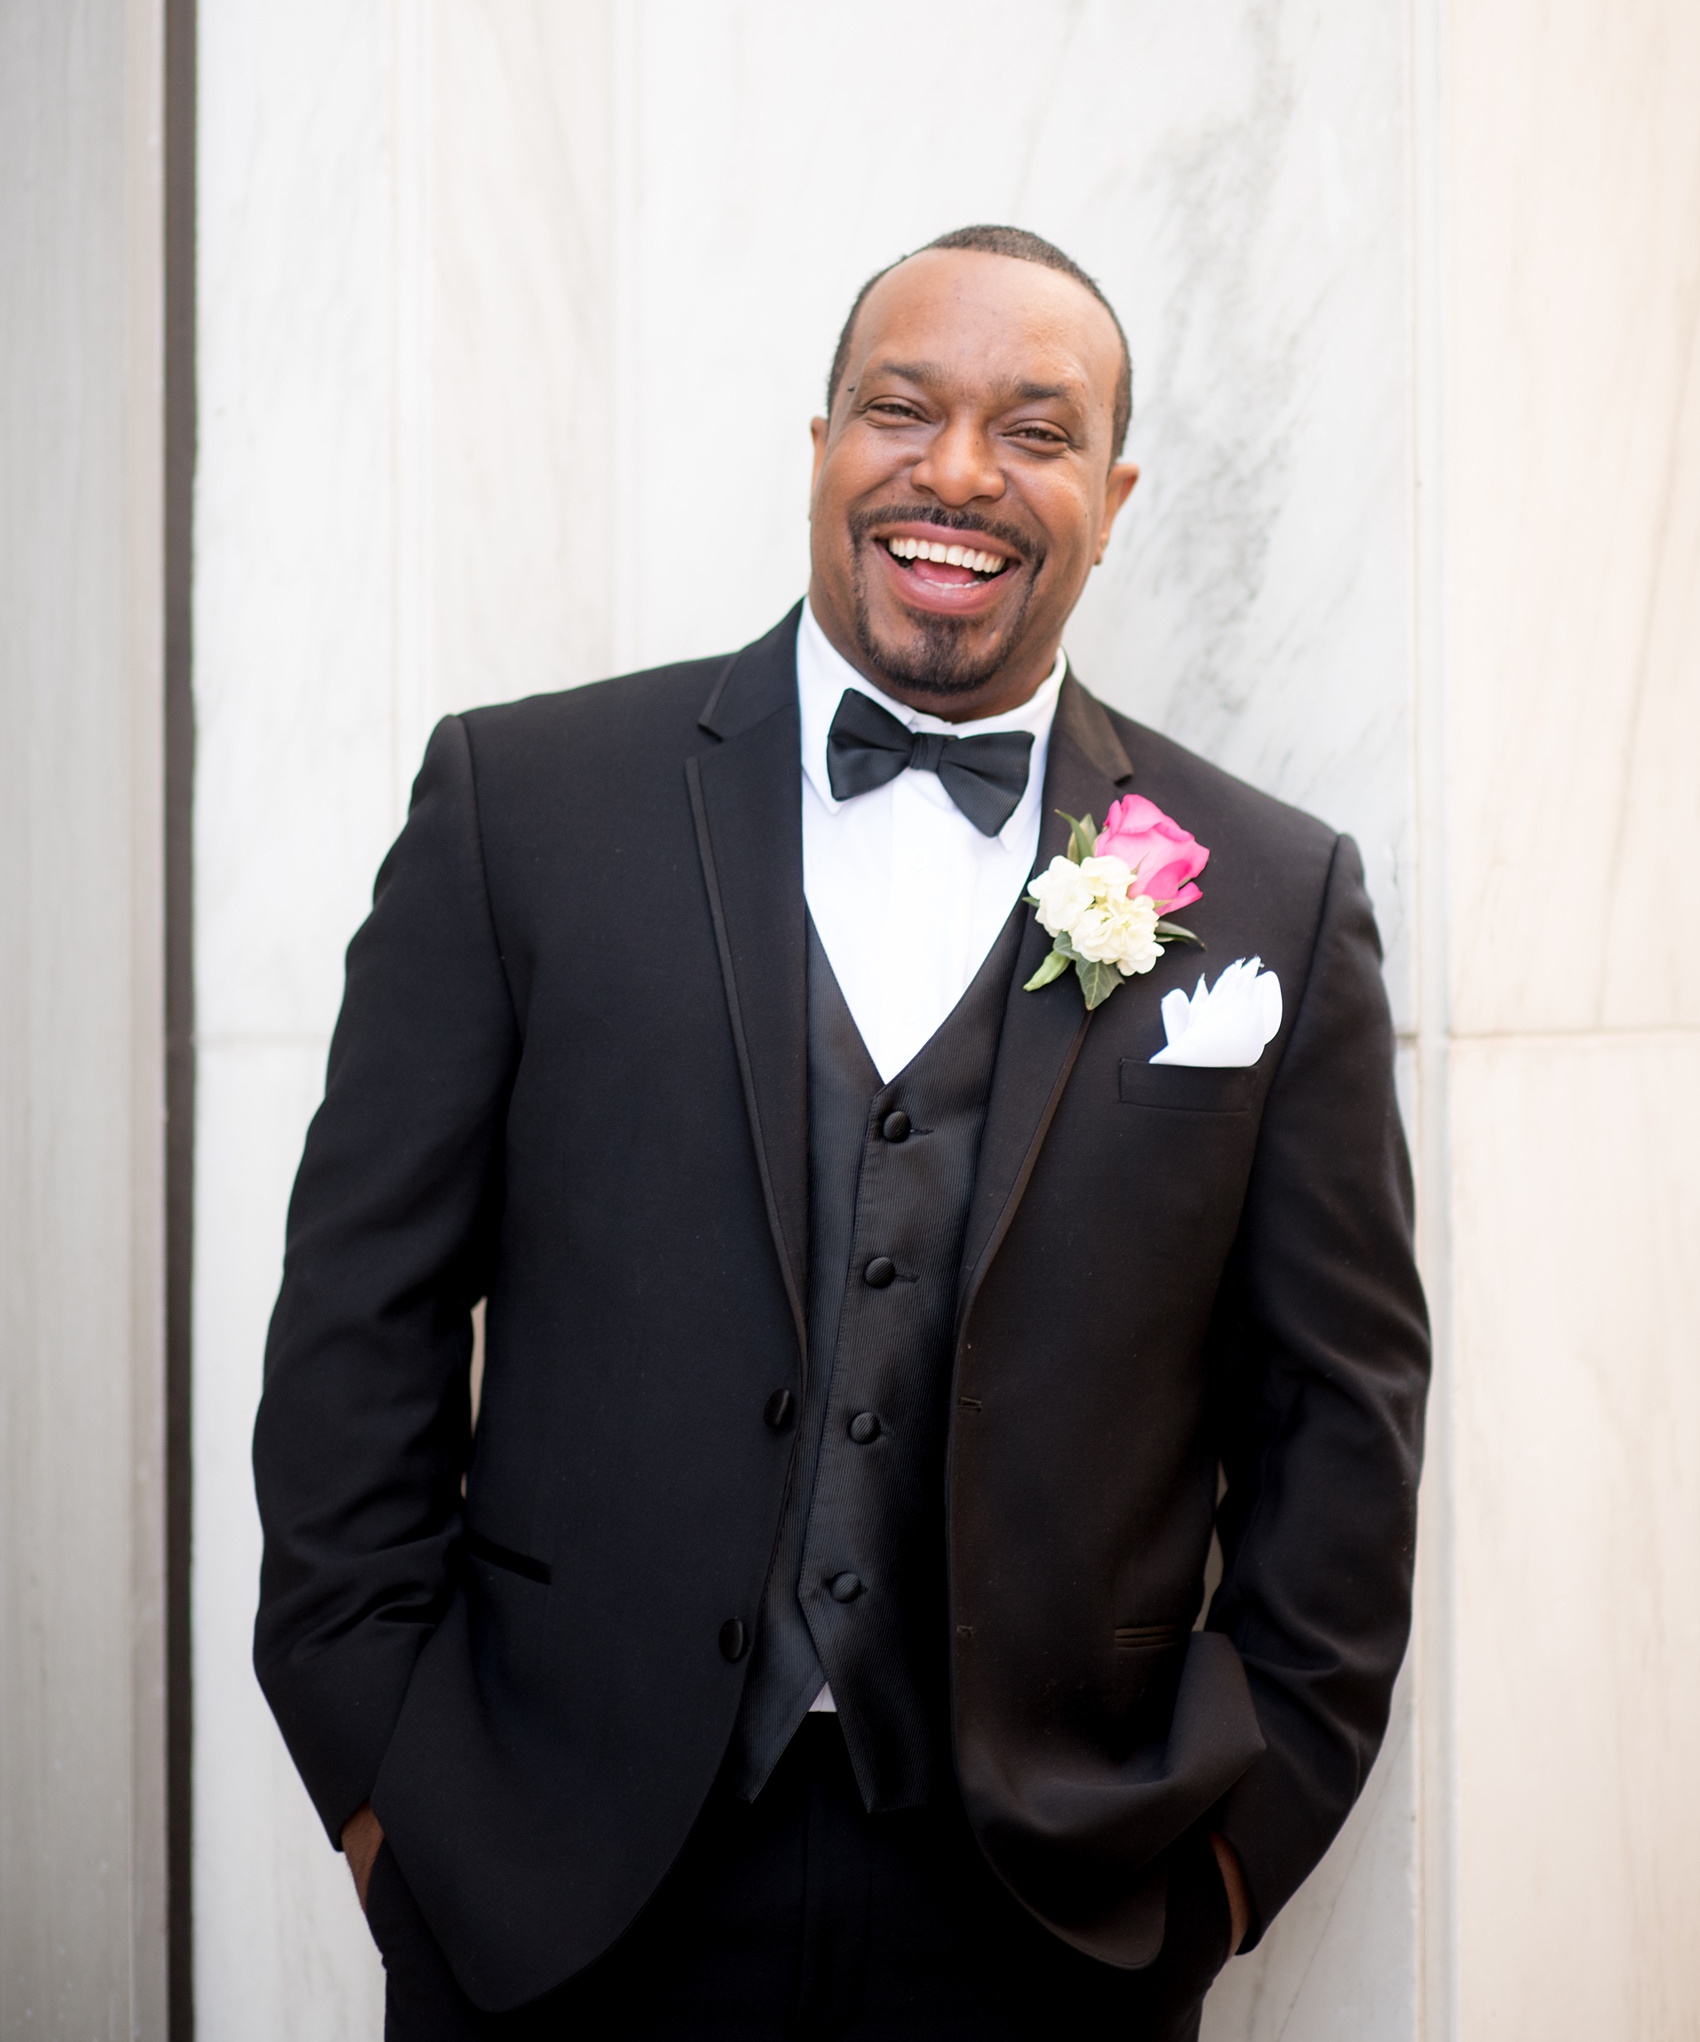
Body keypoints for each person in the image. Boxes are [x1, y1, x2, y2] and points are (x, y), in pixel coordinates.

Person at [254, 225, 1429, 2041]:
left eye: (1034, 431)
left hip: (1051, 1913)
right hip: (552, 1886)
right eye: (904, 407)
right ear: (822, 445)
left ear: (1112, 500)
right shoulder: (524, 808)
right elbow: (356, 1332)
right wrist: (391, 1805)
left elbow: (1339, 1426)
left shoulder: (1276, 890)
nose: (957, 470)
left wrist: (1223, 1867)